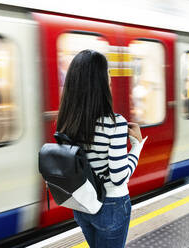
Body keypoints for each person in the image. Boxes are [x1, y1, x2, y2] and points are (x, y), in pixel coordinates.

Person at [55, 49, 147, 248]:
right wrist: (137, 146)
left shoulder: (67, 122)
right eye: (107, 73)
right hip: (111, 206)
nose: (111, 78)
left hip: (83, 204)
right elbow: (119, 176)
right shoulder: (115, 124)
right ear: (100, 81)